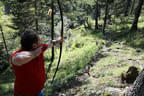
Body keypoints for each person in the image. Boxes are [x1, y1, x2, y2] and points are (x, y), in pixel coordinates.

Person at [11, 30, 63, 96]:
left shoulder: (40, 48)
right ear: (34, 45)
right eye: (39, 40)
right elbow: (18, 59)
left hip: (38, 91)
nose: (41, 42)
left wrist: (58, 40)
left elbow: (50, 43)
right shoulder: (17, 55)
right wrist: (36, 53)